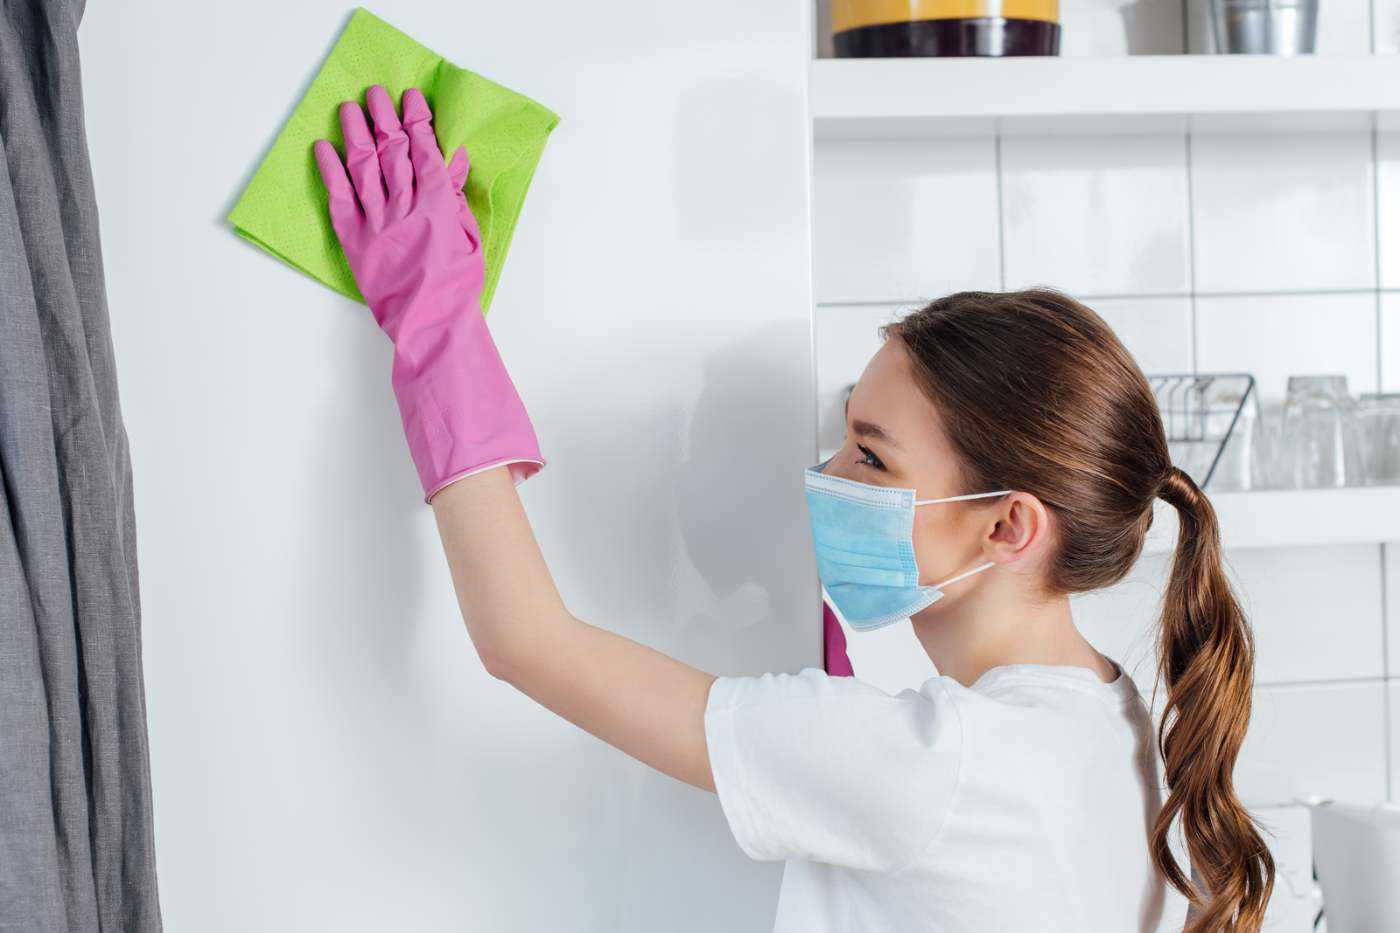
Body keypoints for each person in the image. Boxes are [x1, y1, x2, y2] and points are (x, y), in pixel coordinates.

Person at [313, 86, 1275, 932]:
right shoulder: (1117, 723)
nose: (824, 474)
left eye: (869, 452)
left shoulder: (927, 767)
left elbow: (524, 640)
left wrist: (435, 324)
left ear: (1008, 525)